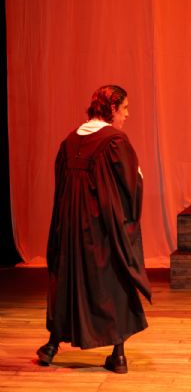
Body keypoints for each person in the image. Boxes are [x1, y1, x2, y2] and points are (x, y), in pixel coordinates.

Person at [36, 85, 151, 373]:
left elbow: (61, 187)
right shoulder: (114, 141)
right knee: (113, 279)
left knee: (67, 280)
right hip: (100, 227)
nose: (127, 114)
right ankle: (119, 355)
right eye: (124, 108)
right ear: (112, 109)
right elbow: (129, 183)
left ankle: (51, 345)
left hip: (69, 227)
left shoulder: (69, 141)